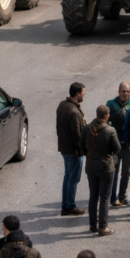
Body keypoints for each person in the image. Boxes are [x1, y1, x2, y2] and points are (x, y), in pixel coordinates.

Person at [84, 104, 121, 236]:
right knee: (105, 198)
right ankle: (102, 227)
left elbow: (82, 147)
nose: (109, 115)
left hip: (91, 166)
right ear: (105, 115)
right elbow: (117, 148)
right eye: (108, 113)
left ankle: (92, 225)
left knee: (93, 196)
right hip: (106, 167)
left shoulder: (87, 128)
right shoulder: (110, 130)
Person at [57, 82, 87, 216]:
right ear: (77, 94)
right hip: (73, 150)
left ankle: (66, 204)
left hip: (64, 148)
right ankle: (69, 206)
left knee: (67, 177)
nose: (84, 95)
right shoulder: (74, 111)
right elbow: (76, 133)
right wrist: (80, 149)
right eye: (83, 93)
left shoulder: (62, 105)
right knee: (73, 179)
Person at [108, 82, 130, 206]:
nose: (125, 93)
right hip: (114, 145)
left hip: (127, 146)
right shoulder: (110, 104)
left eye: (127, 91)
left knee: (126, 172)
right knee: (113, 172)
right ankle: (113, 198)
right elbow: (105, 122)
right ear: (118, 91)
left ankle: (122, 196)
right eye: (123, 91)